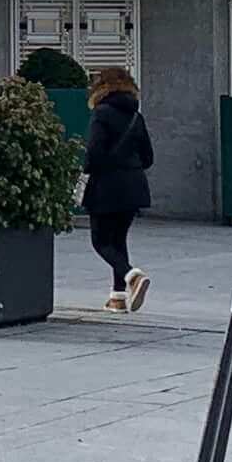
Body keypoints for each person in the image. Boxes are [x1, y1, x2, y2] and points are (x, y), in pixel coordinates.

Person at [82, 65, 154, 313]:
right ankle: (118, 297)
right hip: (134, 186)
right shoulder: (137, 117)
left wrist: (87, 169)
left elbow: (93, 153)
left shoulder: (101, 114)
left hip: (106, 187)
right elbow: (148, 157)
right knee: (118, 240)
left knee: (100, 241)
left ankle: (132, 276)